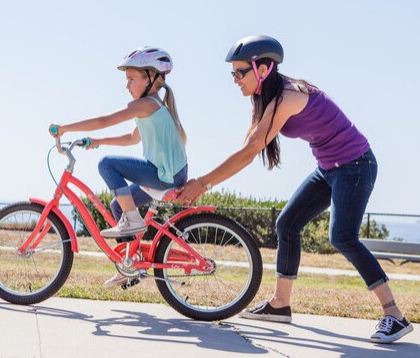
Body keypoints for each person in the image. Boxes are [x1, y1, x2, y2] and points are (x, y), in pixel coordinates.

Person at [175, 35, 413, 344]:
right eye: (231, 73)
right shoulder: (263, 98)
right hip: (329, 168)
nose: (234, 79)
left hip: (356, 165)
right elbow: (248, 144)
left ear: (263, 68)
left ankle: (394, 314)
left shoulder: (289, 95)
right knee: (287, 223)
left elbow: (251, 151)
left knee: (342, 236)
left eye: (239, 72)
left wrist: (204, 183)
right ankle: (280, 304)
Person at [50, 46, 188, 287]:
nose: (127, 86)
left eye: (131, 79)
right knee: (118, 206)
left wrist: (65, 128)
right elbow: (132, 138)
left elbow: (104, 120)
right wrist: (98, 142)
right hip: (167, 174)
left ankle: (133, 221)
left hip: (164, 175)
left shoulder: (147, 104)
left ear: (151, 78)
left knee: (107, 165)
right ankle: (129, 265)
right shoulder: (153, 107)